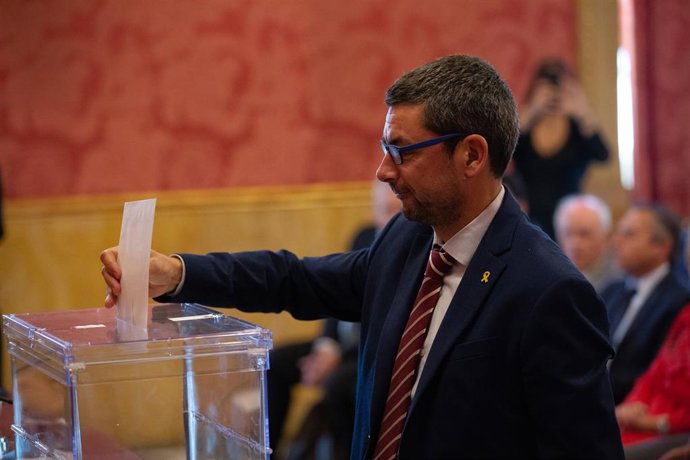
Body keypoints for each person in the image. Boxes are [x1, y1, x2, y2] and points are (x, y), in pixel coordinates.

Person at [101, 55, 623, 459]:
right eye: (383, 148)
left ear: (471, 155)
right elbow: (295, 279)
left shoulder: (549, 290)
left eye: (402, 151)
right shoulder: (407, 240)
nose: (383, 171)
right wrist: (176, 273)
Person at [269, 181, 398, 459]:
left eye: (395, 213)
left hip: (370, 347)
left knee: (338, 384)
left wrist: (338, 356)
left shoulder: (409, 249)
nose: (387, 221)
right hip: (340, 342)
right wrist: (326, 346)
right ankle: (270, 453)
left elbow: (387, 317)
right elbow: (336, 291)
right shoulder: (363, 236)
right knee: (275, 363)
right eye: (383, 211)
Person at [602, 204, 690, 404]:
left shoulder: (680, 301)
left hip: (636, 405)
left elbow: (657, 373)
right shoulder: (612, 290)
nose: (617, 241)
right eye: (619, 232)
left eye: (629, 235)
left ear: (661, 247)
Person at [513, 58, 609, 239]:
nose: (554, 94)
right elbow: (503, 151)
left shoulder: (577, 128)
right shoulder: (525, 128)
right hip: (529, 220)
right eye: (547, 87)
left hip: (570, 222)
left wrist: (583, 112)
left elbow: (603, 155)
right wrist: (531, 110)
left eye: (559, 87)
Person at [615, 303, 690, 458]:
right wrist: (631, 406)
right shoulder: (686, 314)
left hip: (673, 432)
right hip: (642, 420)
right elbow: (654, 373)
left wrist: (653, 423)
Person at [554, 194, 619, 293]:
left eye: (584, 234)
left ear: (605, 237)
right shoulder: (552, 273)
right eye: (568, 234)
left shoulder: (619, 279)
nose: (575, 244)